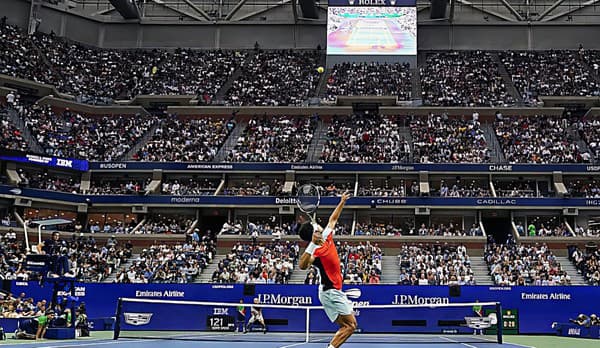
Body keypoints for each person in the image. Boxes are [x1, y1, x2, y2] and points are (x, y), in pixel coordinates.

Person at [298, 192, 356, 348]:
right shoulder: (315, 251)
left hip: (329, 291)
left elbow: (333, 219)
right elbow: (302, 266)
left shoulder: (327, 234)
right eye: (315, 226)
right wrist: (312, 245)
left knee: (346, 326)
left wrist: (342, 201)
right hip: (330, 292)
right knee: (351, 325)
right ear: (313, 234)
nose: (319, 225)